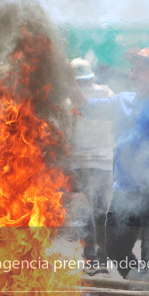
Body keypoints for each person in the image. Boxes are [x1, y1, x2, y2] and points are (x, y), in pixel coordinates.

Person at [68, 48, 149, 281]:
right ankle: (136, 282)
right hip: (125, 191)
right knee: (113, 247)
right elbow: (87, 107)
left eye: (139, 69)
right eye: (132, 69)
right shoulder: (123, 100)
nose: (132, 75)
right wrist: (69, 84)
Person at [62, 57, 114, 263]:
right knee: (100, 210)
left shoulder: (68, 102)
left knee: (86, 211)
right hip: (103, 162)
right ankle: (100, 255)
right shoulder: (108, 94)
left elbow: (65, 134)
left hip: (79, 163)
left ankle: (91, 253)